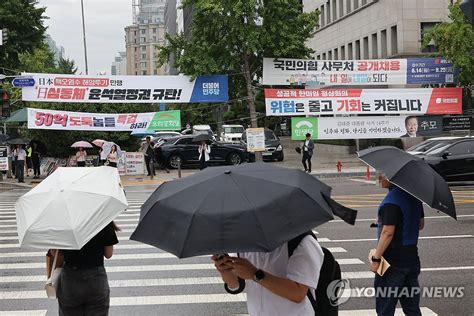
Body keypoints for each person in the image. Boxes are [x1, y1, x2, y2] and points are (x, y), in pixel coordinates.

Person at [212, 234, 324, 316]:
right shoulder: (245, 242)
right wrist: (225, 270)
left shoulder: (302, 241)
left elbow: (298, 293)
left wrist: (255, 274)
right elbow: (236, 285)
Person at [370, 173, 425, 316]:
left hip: (392, 263)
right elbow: (420, 224)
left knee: (385, 309)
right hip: (412, 259)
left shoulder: (391, 201)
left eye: (383, 173)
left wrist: (376, 258)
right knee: (412, 308)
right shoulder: (415, 197)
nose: (379, 176)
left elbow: (388, 232)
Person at [55, 221, 119, 315]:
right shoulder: (102, 219)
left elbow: (55, 253)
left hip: (70, 281)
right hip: (96, 280)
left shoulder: (64, 222)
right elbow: (108, 254)